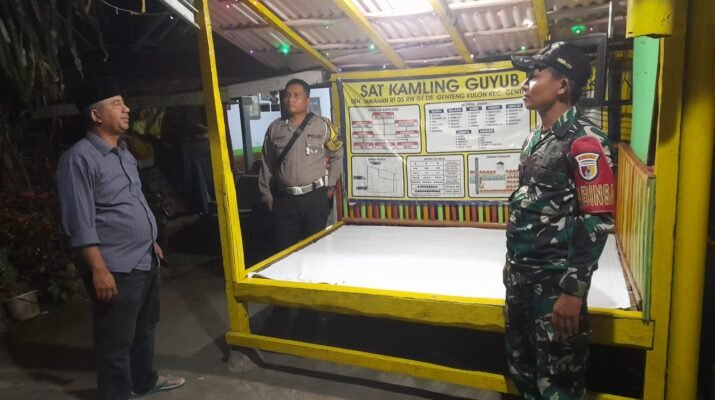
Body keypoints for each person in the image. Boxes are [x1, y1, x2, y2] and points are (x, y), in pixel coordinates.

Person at [56, 78, 185, 400]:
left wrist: (151, 240)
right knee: (115, 339)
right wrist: (98, 270)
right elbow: (79, 221)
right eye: (117, 104)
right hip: (115, 266)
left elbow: (133, 200)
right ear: (95, 115)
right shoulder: (79, 159)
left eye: (124, 102)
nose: (126, 109)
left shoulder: (124, 153)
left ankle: (144, 381)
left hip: (144, 258)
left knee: (145, 326)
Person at [504, 42, 616, 399]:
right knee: (522, 370)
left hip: (555, 287)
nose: (525, 84)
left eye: (534, 76)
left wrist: (572, 292)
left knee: (558, 383)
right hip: (521, 279)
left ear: (563, 85)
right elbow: (528, 205)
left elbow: (596, 221)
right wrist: (511, 265)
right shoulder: (535, 140)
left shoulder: (585, 142)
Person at [258, 78, 344, 251]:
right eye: (287, 95)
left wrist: (330, 185)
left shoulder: (323, 126)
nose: (290, 99)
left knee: (316, 248)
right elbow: (266, 163)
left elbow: (337, 154)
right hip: (285, 200)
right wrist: (265, 194)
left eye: (296, 95)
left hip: (315, 198)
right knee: (285, 250)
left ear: (307, 100)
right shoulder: (275, 128)